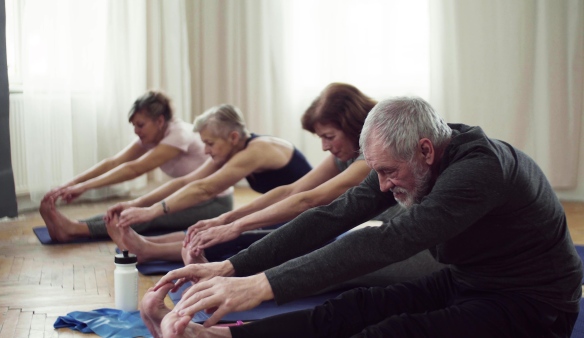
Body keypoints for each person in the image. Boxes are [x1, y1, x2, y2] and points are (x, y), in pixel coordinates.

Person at [145, 96, 582, 337]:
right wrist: (232, 266)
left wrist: (261, 286)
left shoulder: (479, 170)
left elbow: (388, 241)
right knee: (353, 307)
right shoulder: (418, 154)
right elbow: (333, 215)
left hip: (533, 306)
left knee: (388, 334)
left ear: (425, 150)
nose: (384, 185)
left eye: (389, 172)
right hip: (474, 280)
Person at [107, 84, 441, 291]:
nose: (323, 147)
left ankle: (165, 252)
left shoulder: (371, 157)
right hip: (350, 221)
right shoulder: (346, 153)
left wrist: (231, 223)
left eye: (328, 136)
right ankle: (155, 248)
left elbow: (312, 199)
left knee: (307, 246)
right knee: (276, 237)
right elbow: (291, 190)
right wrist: (229, 221)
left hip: (400, 234)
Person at [39, 90, 228, 242]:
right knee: (134, 209)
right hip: (189, 194)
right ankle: (76, 224)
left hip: (214, 202)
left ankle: (75, 230)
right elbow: (113, 163)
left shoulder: (179, 135)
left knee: (147, 216)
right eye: (134, 126)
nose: (136, 131)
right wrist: (72, 184)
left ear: (160, 121)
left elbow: (135, 169)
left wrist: (85, 187)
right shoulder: (152, 135)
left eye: (140, 125)